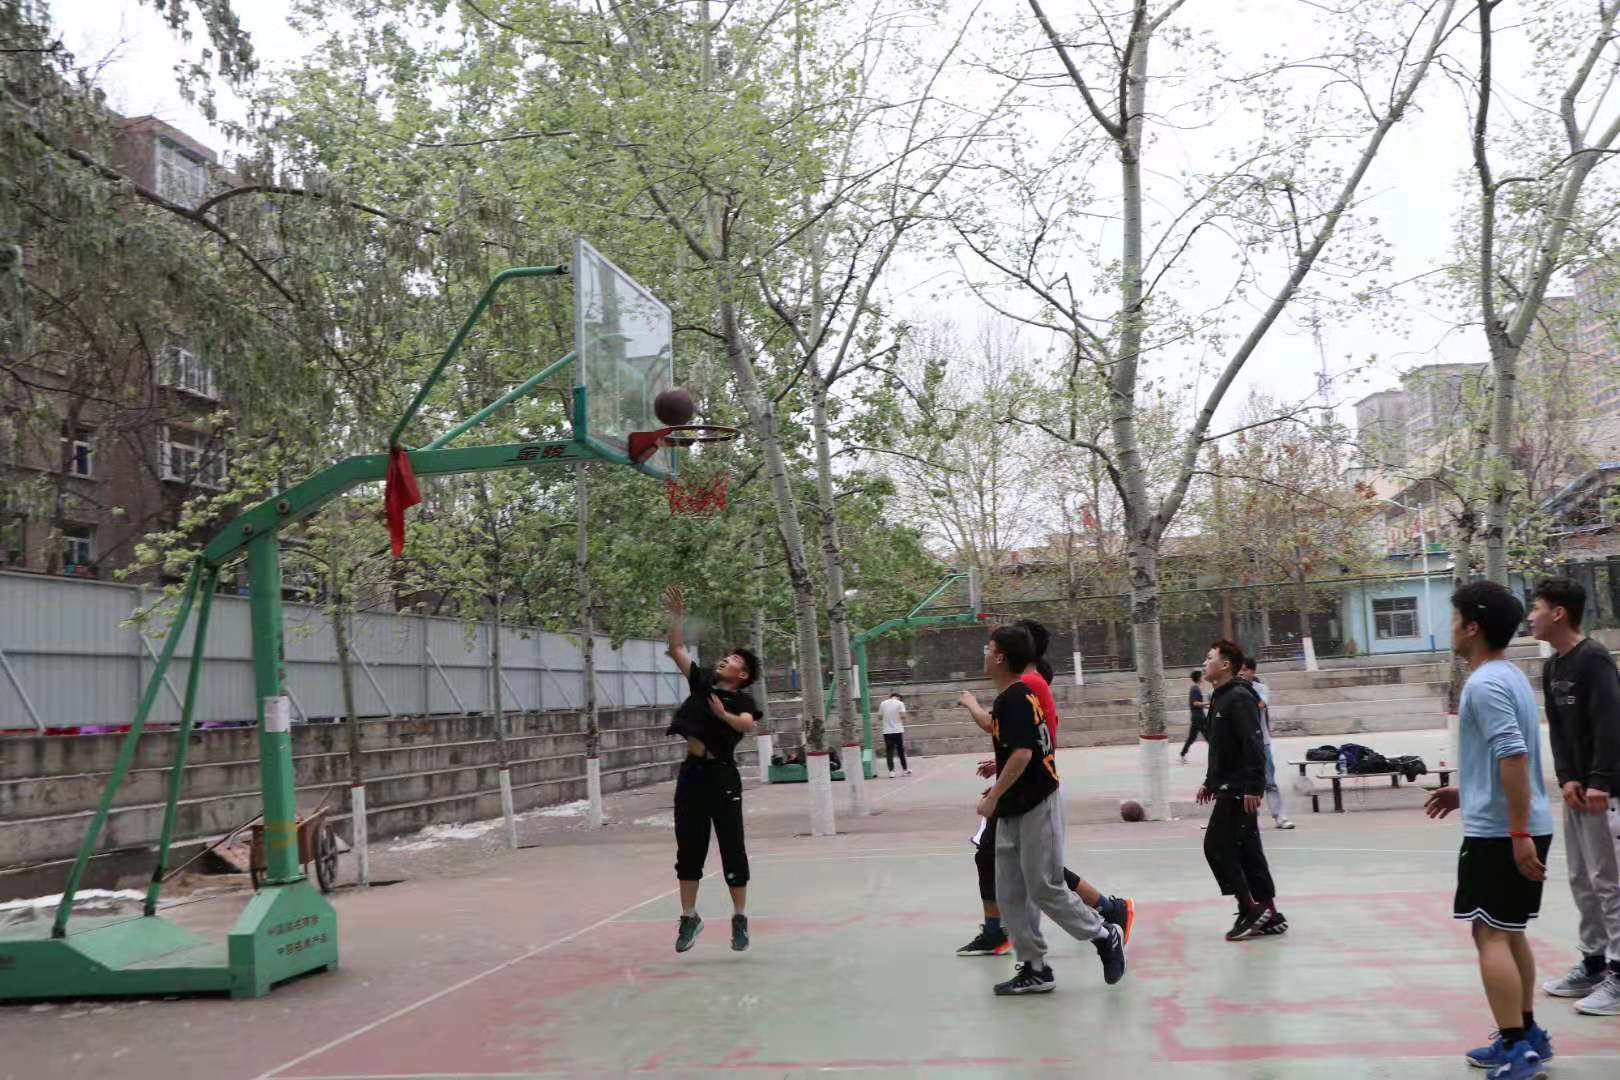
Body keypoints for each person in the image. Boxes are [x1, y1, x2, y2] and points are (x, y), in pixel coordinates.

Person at [1425, 581, 1557, 1079]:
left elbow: (1514, 755)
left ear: (1473, 627)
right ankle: (1526, 1033)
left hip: (1502, 833)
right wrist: (1468, 791)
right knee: (1509, 929)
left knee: (1489, 934)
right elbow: (1505, 756)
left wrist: (1517, 835)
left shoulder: (1483, 685)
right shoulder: (1509, 676)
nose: (1451, 627)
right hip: (1515, 823)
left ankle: (1517, 1051)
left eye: (1455, 618)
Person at [959, 623, 1126, 995]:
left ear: (1000, 658)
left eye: (988, 648)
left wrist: (992, 797)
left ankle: (1104, 935)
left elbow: (1022, 754)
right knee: (1010, 891)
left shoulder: (1019, 697)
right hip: (1014, 808)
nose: (984, 654)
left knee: (1045, 887)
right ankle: (1034, 967)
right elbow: (1013, 745)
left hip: (1037, 804)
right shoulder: (1010, 696)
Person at [1526, 576, 1620, 1017]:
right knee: (1583, 879)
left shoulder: (1594, 659)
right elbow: (1559, 732)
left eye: (1536, 607)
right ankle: (1594, 963)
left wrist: (1600, 780)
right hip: (1577, 793)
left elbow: (1610, 723)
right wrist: (1566, 778)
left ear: (1559, 613)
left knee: (1611, 882)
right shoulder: (1552, 668)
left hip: (1606, 793)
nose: (1531, 616)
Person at [661, 585, 761, 955]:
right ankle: (689, 917)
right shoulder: (702, 682)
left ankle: (739, 917)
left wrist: (723, 715)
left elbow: (746, 724)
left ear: (743, 674)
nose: (724, 660)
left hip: (723, 777)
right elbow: (676, 649)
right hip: (692, 775)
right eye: (725, 656)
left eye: (732, 659)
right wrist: (677, 617)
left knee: (732, 846)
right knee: (689, 847)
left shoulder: (743, 700)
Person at [1198, 639, 1286, 941]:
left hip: (1239, 789)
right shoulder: (1219, 696)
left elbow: (1253, 743)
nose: (1204, 663)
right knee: (1247, 850)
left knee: (1217, 846)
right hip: (1227, 785)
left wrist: (1253, 786)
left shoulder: (1238, 697)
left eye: (1209, 657)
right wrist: (1209, 781)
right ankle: (1270, 913)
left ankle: (1250, 909)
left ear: (1225, 665)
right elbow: (1221, 748)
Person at [1240, 659, 1295, 830]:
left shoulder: (1261, 689)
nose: (1241, 673)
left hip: (1262, 743)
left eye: (1245, 670)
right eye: (1239, 670)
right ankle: (1249, 820)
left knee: (1269, 781)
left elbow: (1260, 705)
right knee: (1244, 784)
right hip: (1242, 744)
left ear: (1253, 672)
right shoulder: (1235, 690)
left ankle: (1280, 817)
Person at [878, 692, 911, 777]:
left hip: (887, 731)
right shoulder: (900, 703)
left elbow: (880, 717)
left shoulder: (882, 703)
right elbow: (903, 716)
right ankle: (905, 770)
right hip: (898, 730)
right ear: (899, 698)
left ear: (891, 697)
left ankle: (891, 772)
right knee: (900, 750)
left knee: (889, 751)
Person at [1180, 670, 1207, 763]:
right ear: (1199, 678)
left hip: (1197, 717)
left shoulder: (1195, 688)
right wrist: (1206, 703)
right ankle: (1218, 755)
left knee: (1192, 738)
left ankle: (1182, 754)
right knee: (1209, 736)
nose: (1203, 677)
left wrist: (1206, 705)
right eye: (1201, 676)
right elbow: (1195, 703)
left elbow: (1197, 703)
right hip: (1199, 718)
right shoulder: (1195, 689)